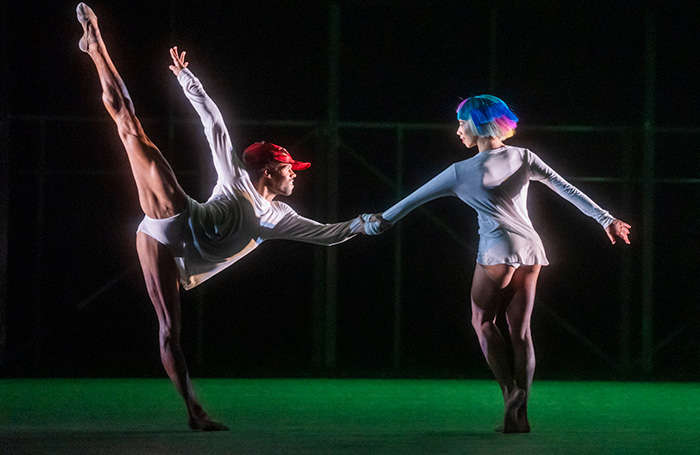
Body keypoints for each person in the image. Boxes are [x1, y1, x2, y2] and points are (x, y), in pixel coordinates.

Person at [76, 3, 377, 431]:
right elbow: (212, 122)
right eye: (291, 169)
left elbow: (327, 235)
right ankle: (95, 44)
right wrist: (185, 78)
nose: (295, 176)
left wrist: (366, 223)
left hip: (185, 256)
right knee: (129, 126)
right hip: (168, 225)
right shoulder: (236, 175)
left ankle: (193, 413)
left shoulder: (277, 216)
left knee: (170, 331)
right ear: (270, 169)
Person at [363, 95, 631, 433]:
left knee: (482, 320)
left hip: (496, 251)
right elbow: (567, 189)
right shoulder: (523, 157)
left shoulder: (460, 171)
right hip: (532, 250)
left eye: (461, 123)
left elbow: (410, 201)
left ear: (476, 124)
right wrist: (607, 219)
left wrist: (376, 223)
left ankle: (510, 393)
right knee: (520, 333)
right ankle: (522, 418)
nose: (458, 130)